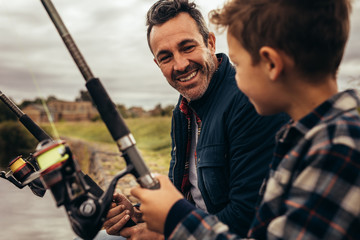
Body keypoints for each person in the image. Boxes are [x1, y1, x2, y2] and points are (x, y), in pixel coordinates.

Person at [131, 0, 360, 239]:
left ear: (271, 64)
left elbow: (246, 221)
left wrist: (173, 224)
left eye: (238, 65)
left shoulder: (337, 150)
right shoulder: (300, 139)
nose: (235, 78)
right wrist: (144, 213)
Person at [99, 0, 287, 239]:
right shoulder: (182, 110)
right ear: (158, 64)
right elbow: (178, 197)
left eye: (187, 47)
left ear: (209, 43)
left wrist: (166, 233)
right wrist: (137, 215)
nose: (180, 64)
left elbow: (246, 217)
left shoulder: (250, 102)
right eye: (166, 57)